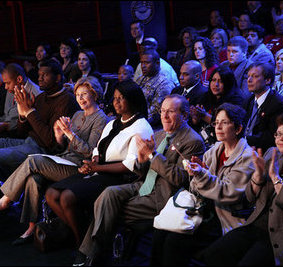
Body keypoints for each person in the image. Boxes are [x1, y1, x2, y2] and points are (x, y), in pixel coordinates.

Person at [72, 94, 205, 266]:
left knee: (107, 210)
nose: (164, 116)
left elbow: (180, 179)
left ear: (184, 115)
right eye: (162, 111)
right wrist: (142, 161)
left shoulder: (193, 141)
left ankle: (90, 255)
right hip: (142, 185)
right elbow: (143, 170)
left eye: (170, 112)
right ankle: (96, 251)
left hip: (163, 197)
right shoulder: (158, 135)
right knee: (108, 195)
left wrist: (153, 155)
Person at [0, 76, 109, 245]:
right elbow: (61, 148)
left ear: (95, 95)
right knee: (33, 178)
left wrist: (69, 134)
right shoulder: (77, 115)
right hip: (63, 160)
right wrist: (59, 137)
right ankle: (31, 228)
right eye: (78, 95)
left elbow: (89, 152)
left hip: (79, 168)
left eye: (84, 94)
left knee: (33, 161)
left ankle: (5, 201)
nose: (80, 99)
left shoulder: (101, 118)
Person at [201, 111, 283, 266]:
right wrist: (257, 176)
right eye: (278, 134)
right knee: (212, 255)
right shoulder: (272, 153)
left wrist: (276, 178)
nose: (280, 139)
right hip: (255, 224)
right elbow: (249, 199)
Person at [0, 59, 79, 226]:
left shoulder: (66, 100)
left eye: (45, 75)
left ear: (58, 78)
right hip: (24, 140)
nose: (40, 78)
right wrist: (23, 114)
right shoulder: (42, 97)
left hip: (40, 149)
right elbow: (22, 131)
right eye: (39, 74)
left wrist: (29, 112)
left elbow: (50, 141)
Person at [45, 80, 153, 248]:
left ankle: (83, 244)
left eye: (121, 98)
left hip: (119, 177)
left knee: (66, 197)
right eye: (115, 98)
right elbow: (97, 149)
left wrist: (96, 167)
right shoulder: (112, 123)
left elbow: (129, 166)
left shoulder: (141, 127)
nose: (115, 102)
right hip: (99, 171)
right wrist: (92, 162)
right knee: (51, 193)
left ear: (132, 99)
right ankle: (80, 235)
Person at [151, 103, 256, 266]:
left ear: (238, 129)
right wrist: (197, 173)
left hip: (225, 218)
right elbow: (194, 188)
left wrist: (202, 174)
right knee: (160, 232)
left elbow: (228, 193)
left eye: (225, 122)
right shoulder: (215, 150)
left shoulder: (247, 157)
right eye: (216, 122)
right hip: (203, 211)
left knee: (175, 241)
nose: (218, 127)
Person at [0, 63, 42, 136]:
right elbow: (6, 117)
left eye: (8, 83)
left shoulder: (36, 94)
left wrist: (8, 126)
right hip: (5, 132)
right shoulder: (11, 89)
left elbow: (32, 123)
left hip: (21, 135)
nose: (5, 87)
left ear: (19, 79)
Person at [243, 62, 283, 153]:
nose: (249, 80)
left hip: (265, 153)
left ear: (267, 80)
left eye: (255, 76)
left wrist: (244, 139)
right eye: (248, 76)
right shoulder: (248, 100)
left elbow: (273, 136)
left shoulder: (279, 104)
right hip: (245, 148)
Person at [190, 66, 243, 147]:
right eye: (213, 80)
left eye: (220, 81)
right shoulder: (205, 96)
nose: (216, 84)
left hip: (221, 142)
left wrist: (204, 116)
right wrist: (195, 118)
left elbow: (227, 125)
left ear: (228, 84)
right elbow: (196, 123)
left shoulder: (235, 100)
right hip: (199, 140)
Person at [135, 49, 175, 129]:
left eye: (146, 63)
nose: (143, 66)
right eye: (142, 62)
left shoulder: (165, 84)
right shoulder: (141, 78)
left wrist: (134, 123)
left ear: (157, 63)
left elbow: (155, 114)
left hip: (150, 126)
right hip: (136, 119)